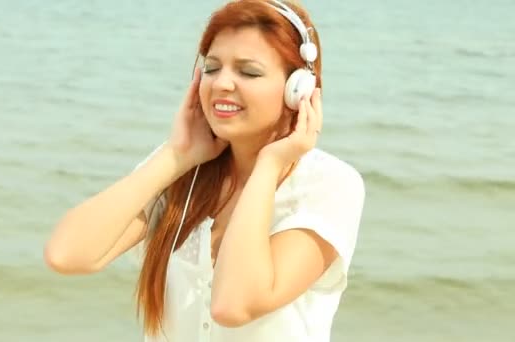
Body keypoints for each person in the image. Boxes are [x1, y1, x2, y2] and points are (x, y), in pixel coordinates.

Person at [44, 0, 366, 341]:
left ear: (297, 89)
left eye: (249, 71)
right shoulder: (183, 170)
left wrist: (268, 166)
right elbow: (67, 255)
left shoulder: (329, 184)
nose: (222, 83)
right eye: (212, 68)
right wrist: (174, 156)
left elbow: (233, 305)